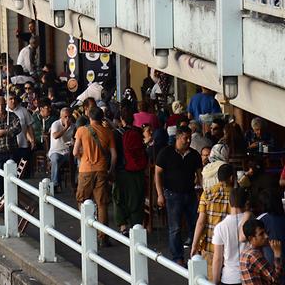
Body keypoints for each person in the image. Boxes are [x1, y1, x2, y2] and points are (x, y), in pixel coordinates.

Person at [155, 126, 203, 264]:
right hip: (172, 194)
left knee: (195, 224)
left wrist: (202, 191)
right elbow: (157, 173)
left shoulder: (194, 155)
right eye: (185, 138)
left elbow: (199, 175)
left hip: (190, 193)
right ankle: (178, 257)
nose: (188, 141)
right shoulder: (166, 153)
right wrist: (160, 194)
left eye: (189, 138)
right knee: (175, 228)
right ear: (177, 137)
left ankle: (195, 253)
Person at [73, 106, 117, 245]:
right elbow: (114, 155)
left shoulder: (81, 130)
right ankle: (103, 237)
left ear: (89, 117)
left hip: (85, 170)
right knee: (102, 203)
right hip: (102, 169)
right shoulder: (108, 132)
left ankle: (86, 234)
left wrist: (83, 156)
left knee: (82, 200)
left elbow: (75, 152)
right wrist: (110, 170)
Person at [192, 163, 236, 265]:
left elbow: (201, 222)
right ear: (232, 178)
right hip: (230, 248)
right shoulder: (236, 195)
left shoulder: (207, 193)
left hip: (210, 246)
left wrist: (195, 245)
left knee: (210, 279)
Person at [113, 106, 147, 235]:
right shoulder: (138, 132)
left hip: (121, 170)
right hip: (137, 171)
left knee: (119, 198)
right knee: (137, 198)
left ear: (121, 119)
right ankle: (137, 225)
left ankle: (123, 226)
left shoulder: (116, 133)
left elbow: (113, 153)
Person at [212, 186, 251, 285]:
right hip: (250, 275)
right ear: (246, 202)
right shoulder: (252, 221)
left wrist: (215, 281)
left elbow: (217, 258)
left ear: (229, 203)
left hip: (229, 278)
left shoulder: (220, 227)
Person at [239, 218, 284, 285]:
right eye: (261, 234)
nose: (266, 236)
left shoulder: (245, 252)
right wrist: (277, 254)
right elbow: (275, 279)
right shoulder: (254, 255)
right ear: (251, 238)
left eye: (265, 232)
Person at [48, 106, 75, 193]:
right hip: (56, 151)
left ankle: (76, 182)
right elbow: (55, 136)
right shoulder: (55, 124)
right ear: (61, 117)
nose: (68, 119)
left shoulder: (74, 126)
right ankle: (54, 184)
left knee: (78, 159)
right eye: (65, 117)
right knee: (55, 159)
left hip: (67, 151)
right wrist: (66, 127)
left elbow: (75, 139)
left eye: (69, 117)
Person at [7, 93, 35, 170]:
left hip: (23, 143)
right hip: (9, 145)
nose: (13, 101)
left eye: (14, 99)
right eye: (10, 99)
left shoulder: (24, 111)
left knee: (23, 168)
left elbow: (29, 126)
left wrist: (32, 140)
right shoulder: (5, 111)